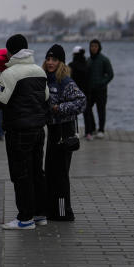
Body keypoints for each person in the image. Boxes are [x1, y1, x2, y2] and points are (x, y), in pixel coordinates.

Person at [0, 34, 49, 230]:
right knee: (37, 173)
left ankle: (25, 218)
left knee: (21, 174)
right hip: (39, 130)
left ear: (10, 52)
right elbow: (46, 98)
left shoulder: (10, 73)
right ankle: (40, 215)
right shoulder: (39, 71)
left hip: (18, 131)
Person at [42, 44, 85, 221]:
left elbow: (81, 101)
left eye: (54, 59)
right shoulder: (45, 79)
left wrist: (59, 108)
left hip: (64, 132)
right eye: (48, 59)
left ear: (61, 62)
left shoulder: (65, 81)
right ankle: (51, 210)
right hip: (53, 132)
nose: (50, 62)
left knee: (60, 175)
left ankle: (63, 212)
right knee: (50, 172)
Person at [84, 38, 114, 140]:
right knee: (87, 109)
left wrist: (102, 83)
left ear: (99, 47)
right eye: (92, 46)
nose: (93, 48)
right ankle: (92, 128)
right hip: (90, 90)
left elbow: (110, 75)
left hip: (101, 90)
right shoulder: (88, 60)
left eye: (95, 46)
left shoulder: (104, 60)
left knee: (101, 110)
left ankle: (101, 130)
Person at [68, 45, 90, 136]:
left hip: (74, 91)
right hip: (86, 91)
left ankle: (74, 132)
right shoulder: (87, 64)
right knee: (87, 113)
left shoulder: (71, 65)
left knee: (73, 113)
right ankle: (88, 132)